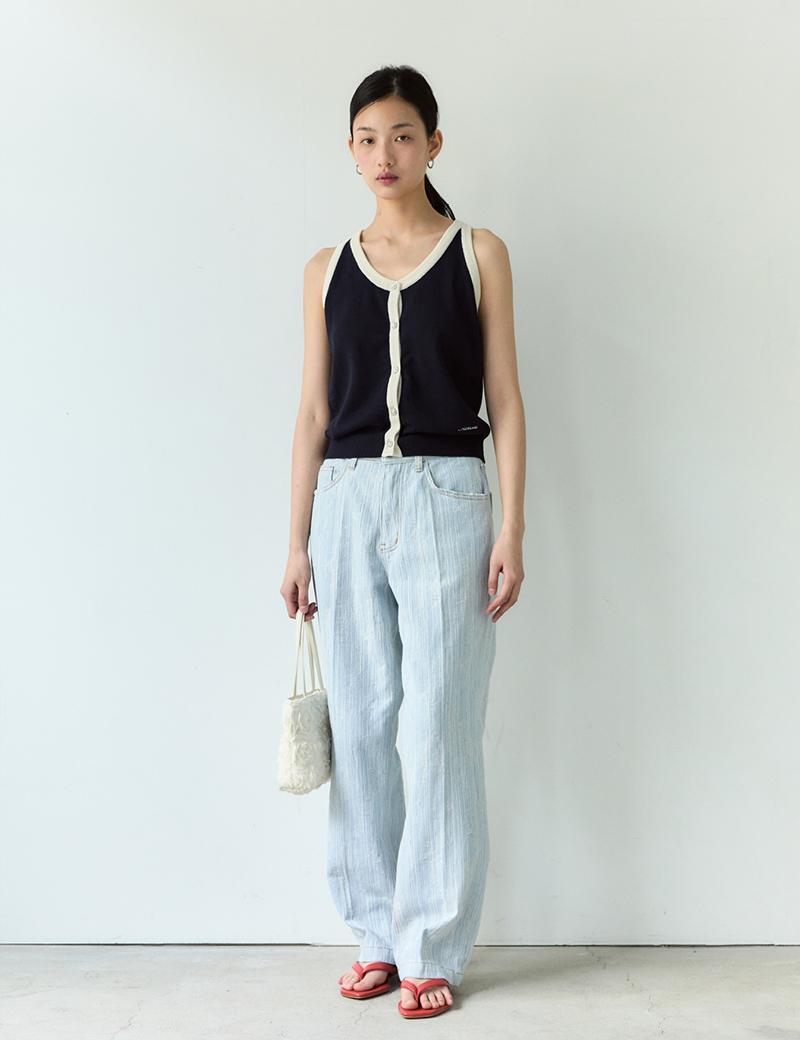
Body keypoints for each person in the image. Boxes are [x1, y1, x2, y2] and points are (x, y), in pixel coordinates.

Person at [281, 64, 526, 1019]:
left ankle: (434, 945)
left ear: (433, 144)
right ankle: (377, 934)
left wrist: (512, 525)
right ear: (350, 150)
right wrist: (296, 540)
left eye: (402, 136)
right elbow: (311, 414)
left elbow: (505, 400)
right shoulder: (325, 268)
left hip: (449, 496)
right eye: (368, 138)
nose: (384, 154)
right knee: (362, 724)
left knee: (440, 724)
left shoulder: (479, 253)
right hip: (346, 502)